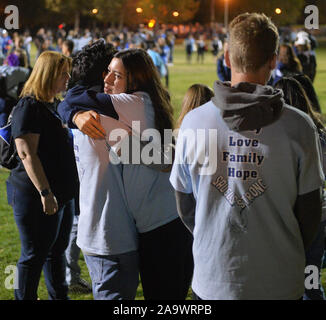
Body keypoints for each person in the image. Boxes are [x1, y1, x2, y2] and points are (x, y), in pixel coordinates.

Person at [170, 12, 324, 300]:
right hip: (279, 278)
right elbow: (310, 212)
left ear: (227, 58)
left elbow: (184, 202)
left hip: (215, 276)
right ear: (273, 60)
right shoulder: (299, 125)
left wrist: (213, 234)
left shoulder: (193, 122)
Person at [58, 47, 194, 300]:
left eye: (116, 76)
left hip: (162, 225)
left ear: (136, 80)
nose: (107, 81)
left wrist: (74, 114)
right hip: (160, 221)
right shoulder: (139, 104)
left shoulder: (130, 103)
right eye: (106, 73)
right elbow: (159, 158)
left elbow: (70, 99)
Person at [6, 51, 79, 300]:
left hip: (62, 193)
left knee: (56, 251)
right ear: (48, 75)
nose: (68, 78)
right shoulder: (30, 106)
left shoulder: (53, 104)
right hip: (36, 193)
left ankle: (60, 297)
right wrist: (45, 193)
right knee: (33, 254)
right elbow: (27, 154)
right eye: (63, 74)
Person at [274, 77, 326, 300]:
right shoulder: (320, 133)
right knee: (310, 282)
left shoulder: (276, 136)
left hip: (286, 220)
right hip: (318, 219)